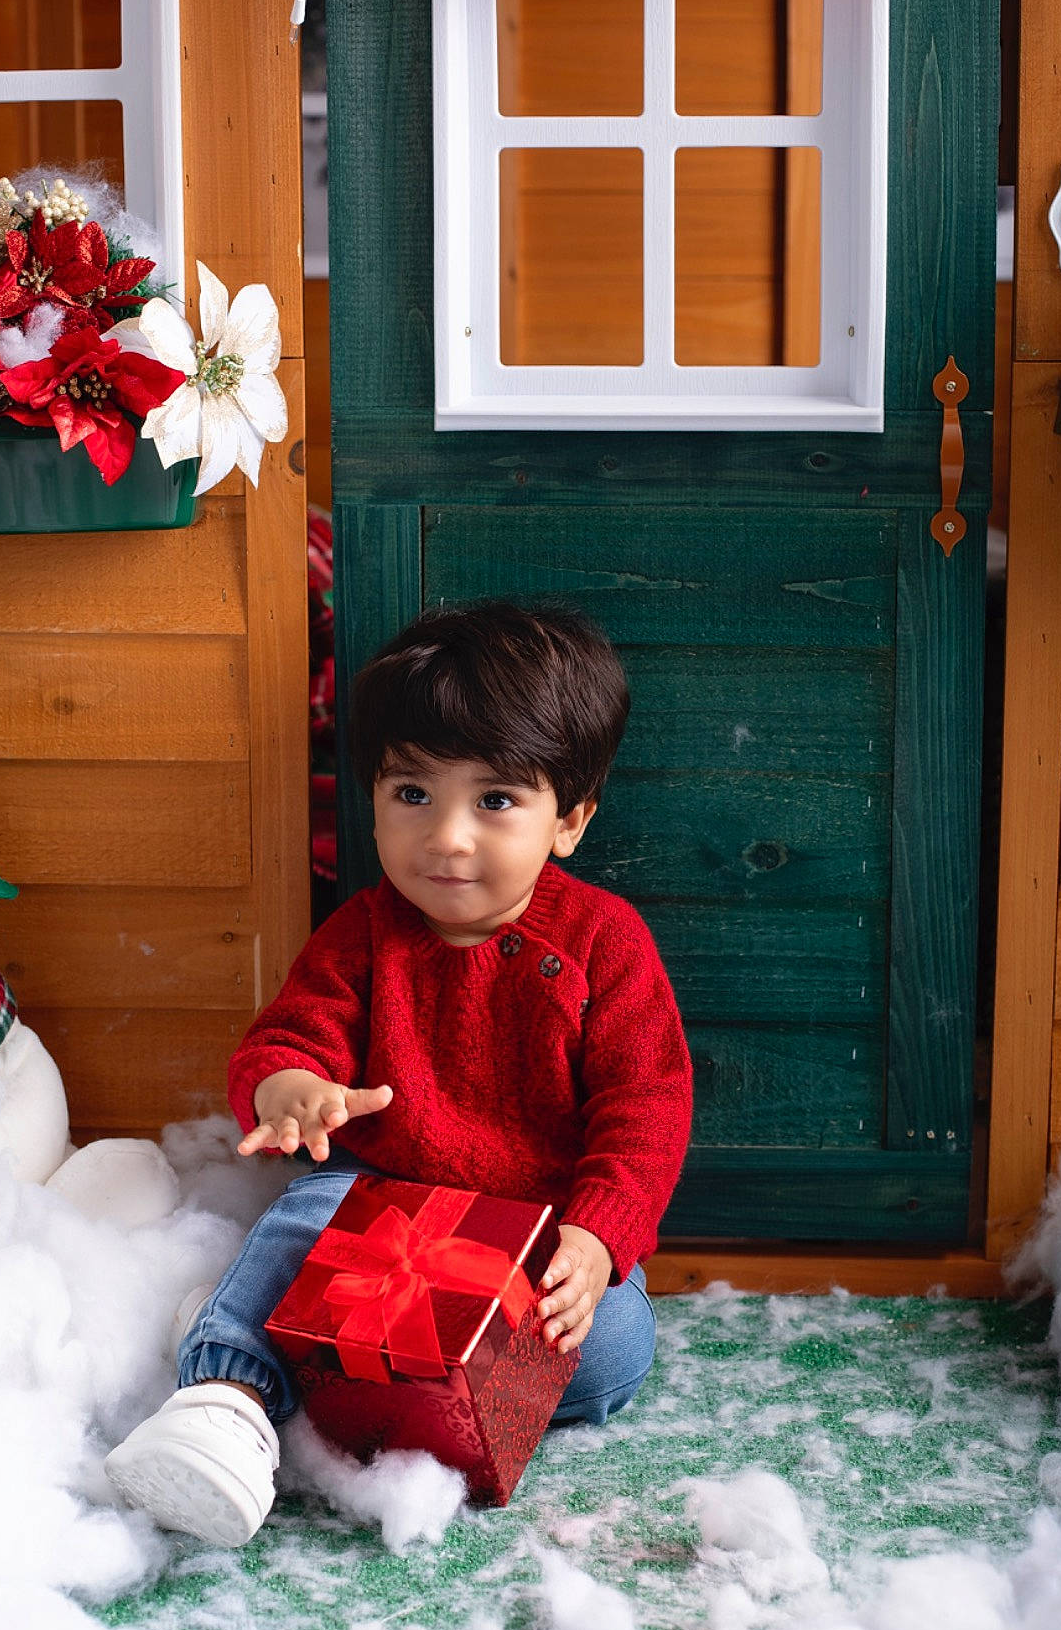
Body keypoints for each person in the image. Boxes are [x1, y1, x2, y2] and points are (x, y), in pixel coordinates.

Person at [106, 601, 693, 1544]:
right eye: (412, 795)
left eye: (495, 801)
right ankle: (224, 1397)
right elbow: (291, 1036)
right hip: (384, 1210)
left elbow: (646, 1108)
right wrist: (289, 1090)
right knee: (301, 1220)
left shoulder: (602, 943)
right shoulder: (363, 935)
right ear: (373, 796)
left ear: (570, 821)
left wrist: (595, 1239)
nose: (447, 837)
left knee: (610, 1354)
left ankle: (386, 1395)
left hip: (531, 1232)